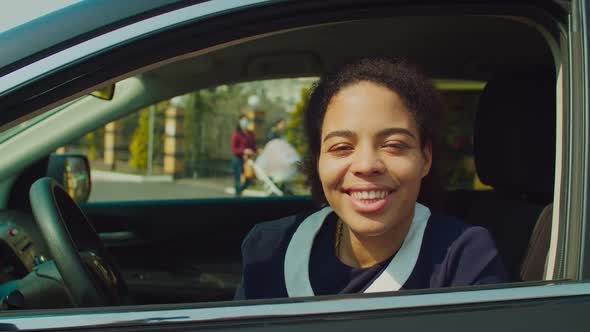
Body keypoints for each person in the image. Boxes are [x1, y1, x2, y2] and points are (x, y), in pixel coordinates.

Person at [234, 57, 507, 300]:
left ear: (425, 158)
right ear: (318, 161)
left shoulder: (464, 258)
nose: (366, 165)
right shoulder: (269, 247)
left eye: (394, 145)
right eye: (341, 147)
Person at [230, 115, 256, 196]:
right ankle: (238, 197)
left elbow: (253, 146)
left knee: (249, 179)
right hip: (238, 160)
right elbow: (233, 149)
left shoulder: (250, 134)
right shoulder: (236, 134)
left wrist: (255, 150)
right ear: (239, 122)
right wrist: (244, 151)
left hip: (248, 160)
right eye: (243, 120)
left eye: (246, 120)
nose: (245, 122)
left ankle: (239, 192)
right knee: (238, 181)